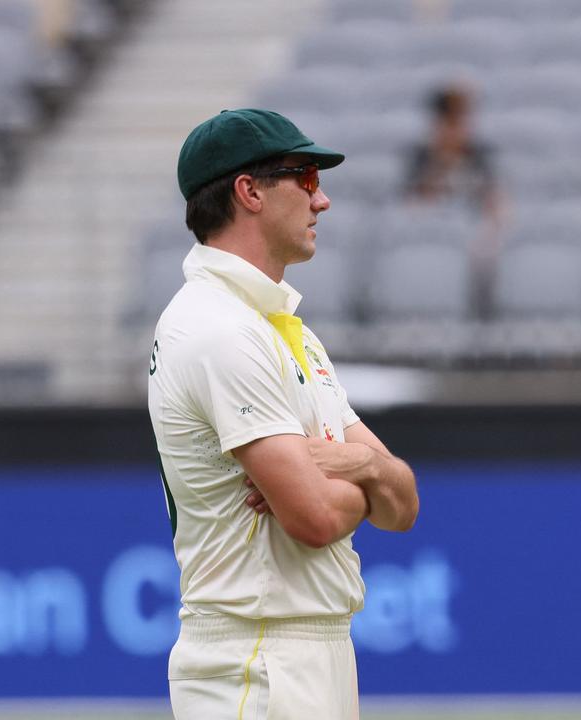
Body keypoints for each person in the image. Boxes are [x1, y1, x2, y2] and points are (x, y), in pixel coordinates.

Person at [148, 108, 419, 719]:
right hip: (259, 659)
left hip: (299, 652)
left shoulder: (276, 328)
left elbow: (404, 504)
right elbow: (316, 517)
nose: (321, 201)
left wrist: (354, 465)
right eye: (305, 178)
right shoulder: (218, 328)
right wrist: (367, 477)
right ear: (249, 191)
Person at [401, 82, 504, 316]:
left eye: (462, 119)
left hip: (473, 242)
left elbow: (496, 204)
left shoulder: (480, 156)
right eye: (450, 120)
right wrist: (441, 165)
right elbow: (410, 206)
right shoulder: (421, 158)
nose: (457, 128)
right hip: (428, 238)